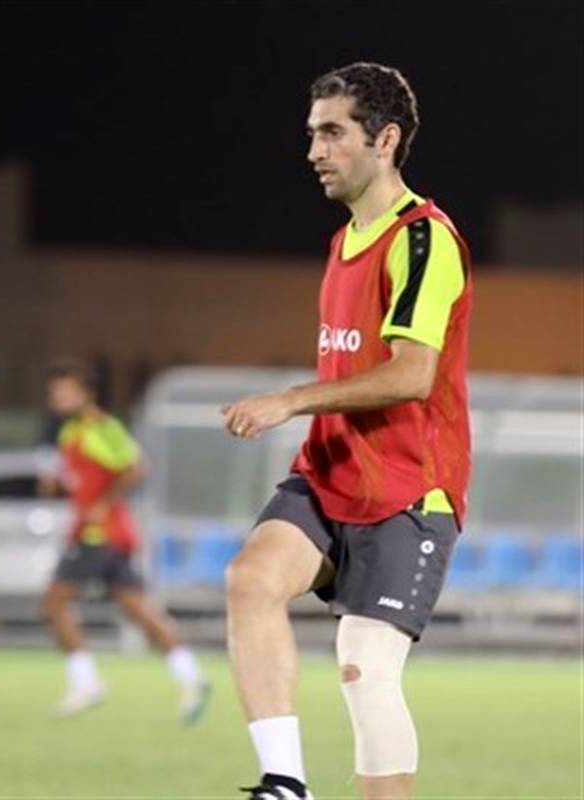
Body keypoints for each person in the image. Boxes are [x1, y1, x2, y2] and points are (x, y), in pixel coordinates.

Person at [221, 63, 472, 800]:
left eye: (332, 133)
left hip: (408, 489)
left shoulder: (424, 240)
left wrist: (292, 400)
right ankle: (285, 783)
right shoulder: (343, 241)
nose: (314, 151)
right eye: (312, 134)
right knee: (250, 580)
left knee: (364, 669)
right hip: (331, 471)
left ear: (385, 140)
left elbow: (413, 375)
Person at [40, 358, 209, 722]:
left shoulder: (101, 427)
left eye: (66, 391)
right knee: (137, 608)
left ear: (87, 393)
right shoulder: (70, 433)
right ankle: (191, 675)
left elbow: (135, 467)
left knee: (54, 601)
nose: (58, 398)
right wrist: (60, 485)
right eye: (55, 392)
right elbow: (85, 478)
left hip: (98, 534)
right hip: (108, 534)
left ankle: (86, 683)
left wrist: (103, 503)